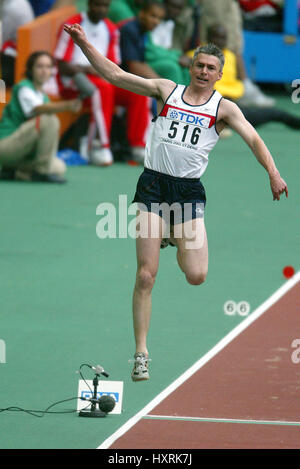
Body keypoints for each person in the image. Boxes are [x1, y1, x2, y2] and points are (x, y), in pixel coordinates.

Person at [63, 22, 288, 381]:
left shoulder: (224, 109)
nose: (203, 71)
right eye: (199, 65)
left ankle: (173, 236)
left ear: (219, 74)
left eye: (210, 68)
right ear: (191, 66)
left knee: (196, 275)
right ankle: (141, 352)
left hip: (187, 193)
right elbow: (114, 74)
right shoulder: (166, 91)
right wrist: (84, 43)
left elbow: (255, 140)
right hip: (153, 187)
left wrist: (273, 173)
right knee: (145, 276)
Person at [54, 0, 151, 166]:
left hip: (101, 79)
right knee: (103, 89)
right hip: (72, 80)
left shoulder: (112, 30)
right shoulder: (71, 24)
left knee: (140, 91)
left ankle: (138, 147)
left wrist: (97, 72)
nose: (101, 9)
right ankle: (100, 146)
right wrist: (87, 70)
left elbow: (113, 68)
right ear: (89, 4)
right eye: (98, 5)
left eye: (105, 6)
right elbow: (62, 66)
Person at [0, 51, 81, 182]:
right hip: (5, 145)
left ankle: (15, 172)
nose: (44, 71)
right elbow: (38, 109)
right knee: (49, 119)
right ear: (31, 69)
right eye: (40, 66)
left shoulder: (43, 96)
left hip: (21, 152)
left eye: (48, 67)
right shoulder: (23, 88)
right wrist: (67, 105)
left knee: (59, 167)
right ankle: (41, 172)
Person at [208, 23, 300, 131]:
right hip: (217, 104)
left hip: (235, 101)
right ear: (208, 38)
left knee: (275, 113)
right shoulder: (199, 57)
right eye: (217, 37)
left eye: (223, 38)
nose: (220, 41)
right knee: (273, 114)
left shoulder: (231, 56)